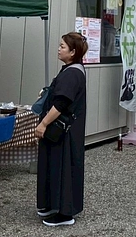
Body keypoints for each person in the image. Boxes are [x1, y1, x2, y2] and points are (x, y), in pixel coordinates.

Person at [35, 32, 88, 227]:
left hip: (64, 131)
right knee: (55, 166)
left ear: (73, 52)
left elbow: (61, 103)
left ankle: (65, 213)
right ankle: (52, 204)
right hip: (66, 130)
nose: (59, 49)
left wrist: (43, 124)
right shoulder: (72, 70)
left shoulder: (73, 73)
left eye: (63, 47)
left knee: (64, 168)